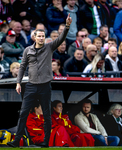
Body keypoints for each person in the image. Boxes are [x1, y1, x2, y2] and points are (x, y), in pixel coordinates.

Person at [7, 14, 72, 148]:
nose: (41, 38)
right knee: (23, 113)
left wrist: (67, 26)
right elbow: (22, 67)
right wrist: (18, 82)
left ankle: (46, 142)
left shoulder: (49, 47)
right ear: (34, 37)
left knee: (47, 115)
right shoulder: (27, 50)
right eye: (39, 36)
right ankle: (16, 141)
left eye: (43, 36)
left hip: (45, 86)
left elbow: (61, 38)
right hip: (31, 85)